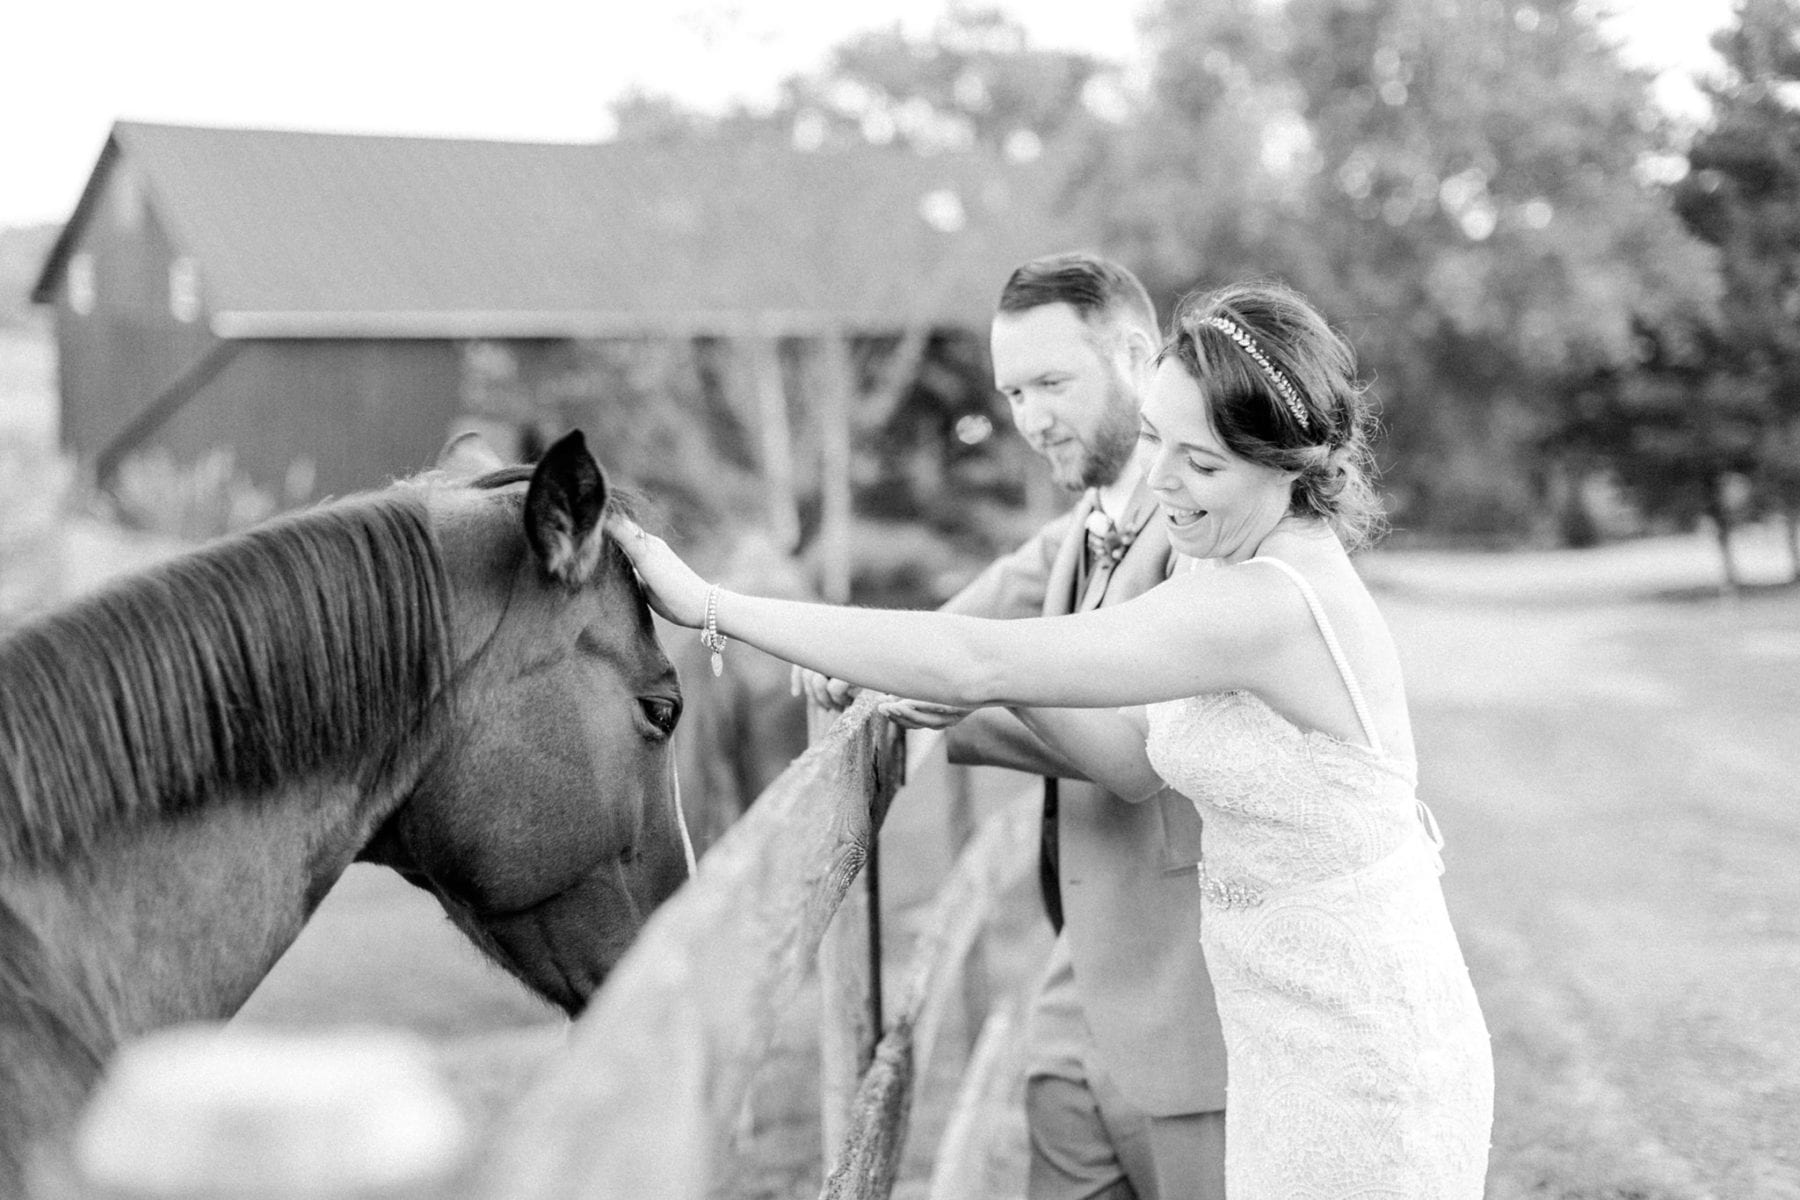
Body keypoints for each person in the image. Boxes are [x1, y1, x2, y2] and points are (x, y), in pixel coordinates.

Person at [612, 279, 1495, 1198]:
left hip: (1357, 1042)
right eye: (1154, 438)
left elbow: (971, 658)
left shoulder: (1265, 603)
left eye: (1199, 462)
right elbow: (1121, 754)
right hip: (1276, 1030)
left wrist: (709, 604)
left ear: (1283, 465)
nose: (1159, 482)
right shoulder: (1236, 563)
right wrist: (1010, 674)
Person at [804, 252, 1226, 1200]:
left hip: (1191, 999)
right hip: (1077, 984)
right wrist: (849, 661)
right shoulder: (1075, 533)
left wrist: (951, 707)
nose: (1029, 416)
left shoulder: (1202, 531)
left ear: (1133, 353)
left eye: (1051, 382)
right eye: (1012, 391)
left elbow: (1131, 748)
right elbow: (945, 633)